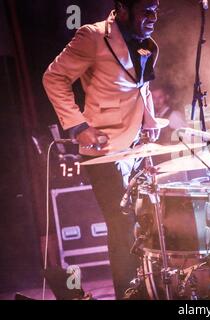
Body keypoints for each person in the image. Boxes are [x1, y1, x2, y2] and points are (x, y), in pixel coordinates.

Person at [43, 0, 163, 299]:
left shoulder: (143, 41)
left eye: (156, 10)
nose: (152, 17)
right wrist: (79, 127)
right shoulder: (92, 36)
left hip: (135, 148)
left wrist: (149, 121)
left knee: (145, 226)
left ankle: (150, 289)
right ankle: (129, 294)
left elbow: (139, 86)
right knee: (122, 225)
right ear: (122, 8)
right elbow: (54, 77)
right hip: (104, 148)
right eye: (145, 10)